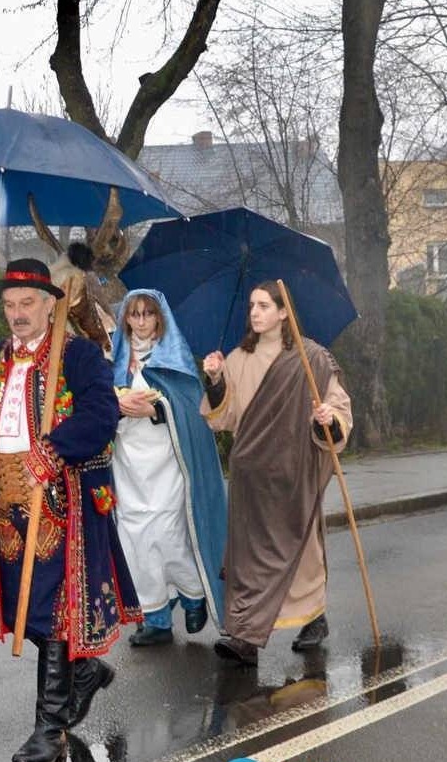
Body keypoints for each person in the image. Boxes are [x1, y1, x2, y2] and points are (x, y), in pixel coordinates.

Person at [0, 257, 140, 762]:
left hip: (60, 498)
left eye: (27, 303)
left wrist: (52, 452)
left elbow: (102, 416)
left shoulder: (77, 355)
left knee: (52, 610)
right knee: (25, 610)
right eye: (9, 305)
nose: (17, 314)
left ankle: (49, 727)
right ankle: (83, 673)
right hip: (6, 500)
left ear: (50, 304)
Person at [202, 282, 352, 666]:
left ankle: (314, 617)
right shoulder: (238, 357)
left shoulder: (312, 358)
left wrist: (327, 420)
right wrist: (216, 380)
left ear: (284, 312)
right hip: (251, 475)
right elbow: (223, 418)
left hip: (294, 472)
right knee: (248, 557)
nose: (255, 312)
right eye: (252, 305)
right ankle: (246, 637)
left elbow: (339, 410)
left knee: (300, 555)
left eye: (264, 305)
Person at [110, 289, 227, 647]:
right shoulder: (113, 361)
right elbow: (97, 406)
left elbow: (193, 411)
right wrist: (116, 404)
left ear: (160, 318)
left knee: (169, 534)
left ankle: (193, 595)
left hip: (168, 464)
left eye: (148, 314)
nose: (142, 321)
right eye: (135, 314)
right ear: (126, 318)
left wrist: (156, 410)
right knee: (135, 539)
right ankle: (157, 618)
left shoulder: (175, 361)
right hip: (129, 465)